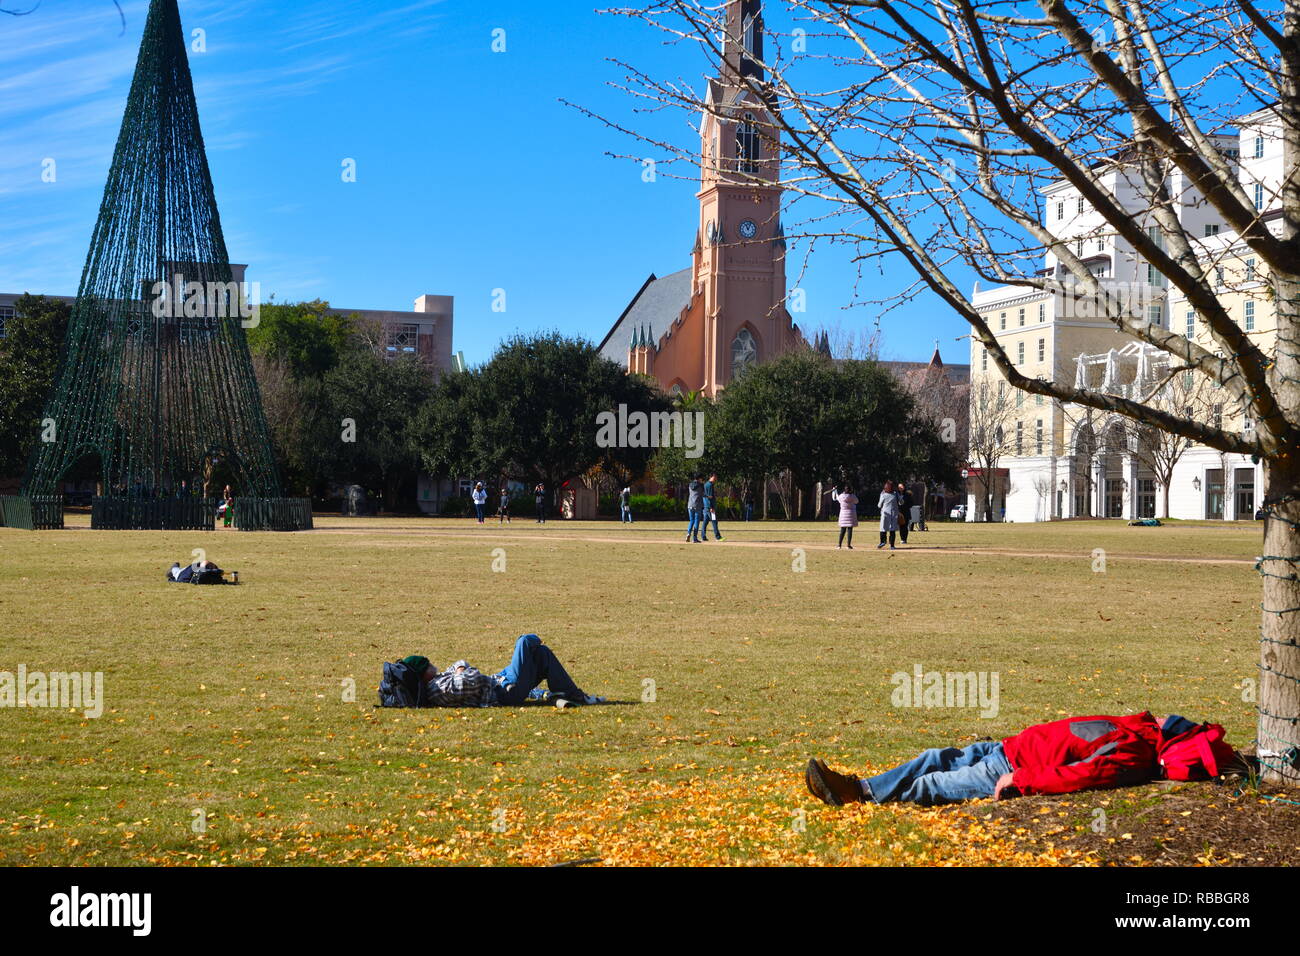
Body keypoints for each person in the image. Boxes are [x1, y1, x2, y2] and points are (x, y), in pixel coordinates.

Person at [804, 713, 1236, 807]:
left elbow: (1080, 775)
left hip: (1007, 767)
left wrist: (1023, 780)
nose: (1164, 714)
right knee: (933, 757)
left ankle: (855, 797)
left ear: (1171, 738)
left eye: (1172, 720)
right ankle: (859, 786)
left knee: (933, 785)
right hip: (1005, 747)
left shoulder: (1133, 752)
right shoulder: (1137, 727)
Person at [406, 634, 604, 708]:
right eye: (428, 665)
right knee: (525, 642)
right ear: (424, 674)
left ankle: (572, 694)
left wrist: (460, 668)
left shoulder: (436, 681)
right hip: (505, 692)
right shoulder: (437, 689)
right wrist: (461, 669)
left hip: (500, 681)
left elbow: (461, 665)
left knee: (541, 654)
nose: (432, 664)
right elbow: (470, 679)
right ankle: (536, 642)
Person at [877, 480, 899, 549]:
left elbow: (879, 505)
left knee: (883, 528)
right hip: (894, 514)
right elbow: (901, 502)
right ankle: (892, 545)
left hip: (885, 514)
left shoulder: (883, 495)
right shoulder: (896, 494)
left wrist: (881, 495)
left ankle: (882, 542)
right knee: (892, 530)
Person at [835, 484, 858, 549]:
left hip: (843, 514)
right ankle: (848, 545)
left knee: (842, 530)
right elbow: (857, 501)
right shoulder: (853, 496)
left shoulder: (841, 496)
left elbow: (837, 499)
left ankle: (839, 545)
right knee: (850, 530)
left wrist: (835, 491)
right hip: (851, 514)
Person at [701, 473, 723, 540]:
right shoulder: (710, 485)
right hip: (709, 507)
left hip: (705, 506)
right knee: (714, 521)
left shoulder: (705, 484)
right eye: (715, 477)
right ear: (711, 477)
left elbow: (704, 495)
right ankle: (718, 537)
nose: (716, 479)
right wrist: (711, 507)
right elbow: (709, 497)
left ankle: (703, 536)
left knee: (705, 521)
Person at [685, 474, 705, 542]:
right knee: (696, 521)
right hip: (697, 505)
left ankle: (688, 533)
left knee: (691, 520)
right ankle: (695, 538)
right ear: (699, 479)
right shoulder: (701, 485)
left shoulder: (690, 484)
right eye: (701, 479)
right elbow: (703, 494)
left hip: (690, 504)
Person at [895, 480, 913, 545]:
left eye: (901, 487)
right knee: (901, 526)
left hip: (906, 512)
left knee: (905, 526)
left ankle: (904, 539)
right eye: (899, 487)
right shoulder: (896, 494)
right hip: (899, 512)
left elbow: (911, 504)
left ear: (904, 487)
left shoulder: (908, 494)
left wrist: (905, 505)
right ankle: (902, 538)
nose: (900, 488)